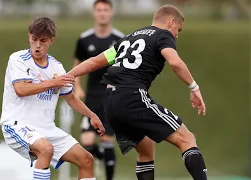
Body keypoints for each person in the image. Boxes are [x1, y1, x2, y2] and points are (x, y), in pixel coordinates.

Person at [68, 5, 208, 180]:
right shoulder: (162, 35)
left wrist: (67, 76)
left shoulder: (130, 37)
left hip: (110, 101)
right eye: (178, 30)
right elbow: (176, 63)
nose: (177, 35)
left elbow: (95, 61)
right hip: (131, 97)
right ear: (171, 22)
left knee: (146, 149)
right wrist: (194, 87)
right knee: (187, 139)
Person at [0, 16, 105, 180]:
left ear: (51, 41)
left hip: (46, 129)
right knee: (46, 149)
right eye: (34, 39)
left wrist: (91, 115)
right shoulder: (18, 59)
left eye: (43, 41)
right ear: (29, 36)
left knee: (86, 160)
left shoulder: (56, 67)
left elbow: (70, 98)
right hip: (17, 124)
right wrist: (53, 82)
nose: (37, 45)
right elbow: (21, 89)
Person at [73, 0, 124, 179]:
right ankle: (99, 157)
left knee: (107, 140)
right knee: (86, 141)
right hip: (91, 97)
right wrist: (77, 86)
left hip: (111, 98)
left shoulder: (120, 39)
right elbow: (78, 64)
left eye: (106, 10)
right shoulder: (85, 39)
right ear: (94, 13)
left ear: (111, 13)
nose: (102, 13)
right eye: (99, 10)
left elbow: (126, 67)